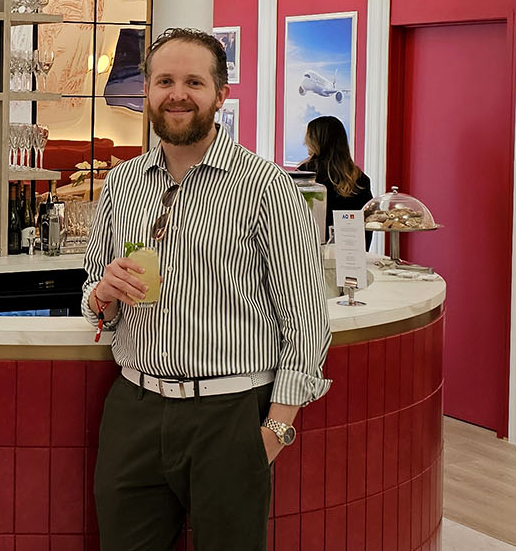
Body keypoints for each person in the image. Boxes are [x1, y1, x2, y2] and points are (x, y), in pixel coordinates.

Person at [81, 27, 330, 551]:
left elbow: (307, 320)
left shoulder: (266, 186)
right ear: (146, 91)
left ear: (221, 94)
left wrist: (275, 430)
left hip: (231, 415)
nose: (177, 93)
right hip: (134, 409)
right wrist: (101, 294)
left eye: (194, 81)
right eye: (164, 80)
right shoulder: (121, 184)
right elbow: (93, 296)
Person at [298, 115, 374, 248]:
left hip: (309, 251)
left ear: (318, 141)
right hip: (350, 253)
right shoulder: (360, 179)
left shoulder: (305, 176)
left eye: (309, 138)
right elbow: (366, 227)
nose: (305, 143)